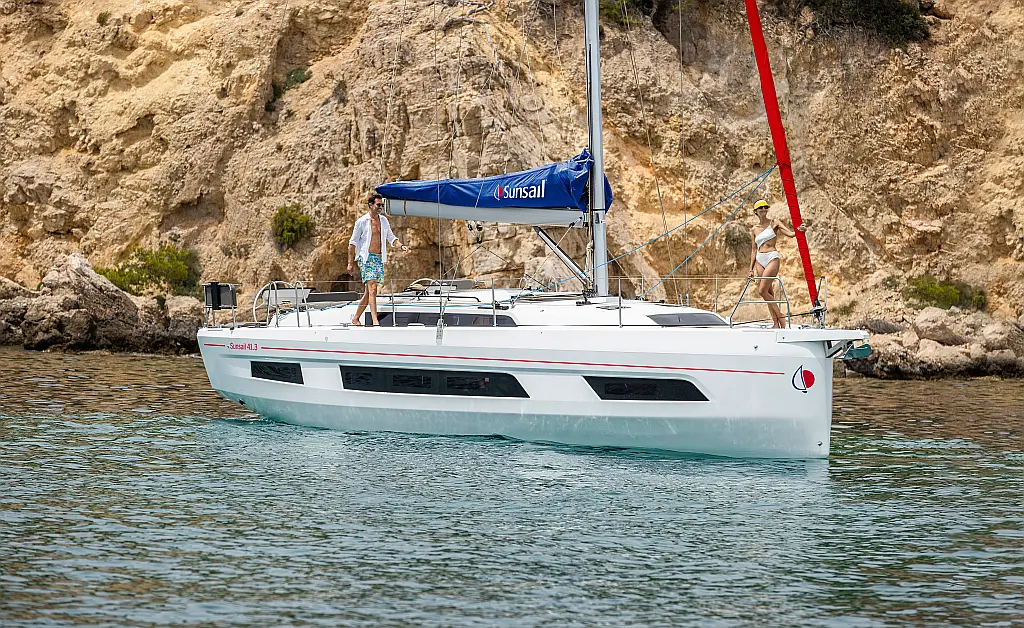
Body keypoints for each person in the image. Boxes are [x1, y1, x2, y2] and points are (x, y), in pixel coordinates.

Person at [348, 193, 409, 326]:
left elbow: (391, 238)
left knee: (369, 292)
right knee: (373, 289)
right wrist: (350, 263)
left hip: (378, 258)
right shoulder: (361, 222)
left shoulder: (384, 221)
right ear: (371, 205)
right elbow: (352, 243)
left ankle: (356, 318)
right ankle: (375, 321)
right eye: (378, 205)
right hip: (366, 258)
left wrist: (401, 246)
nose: (381, 207)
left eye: (382, 205)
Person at [748, 199, 806, 329]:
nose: (764, 209)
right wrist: (750, 269)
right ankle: (775, 323)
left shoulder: (774, 222)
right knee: (769, 292)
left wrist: (799, 230)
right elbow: (753, 250)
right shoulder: (754, 229)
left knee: (762, 291)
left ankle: (781, 316)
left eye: (765, 207)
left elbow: (790, 233)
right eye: (761, 207)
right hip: (759, 259)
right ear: (756, 211)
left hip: (772, 257)